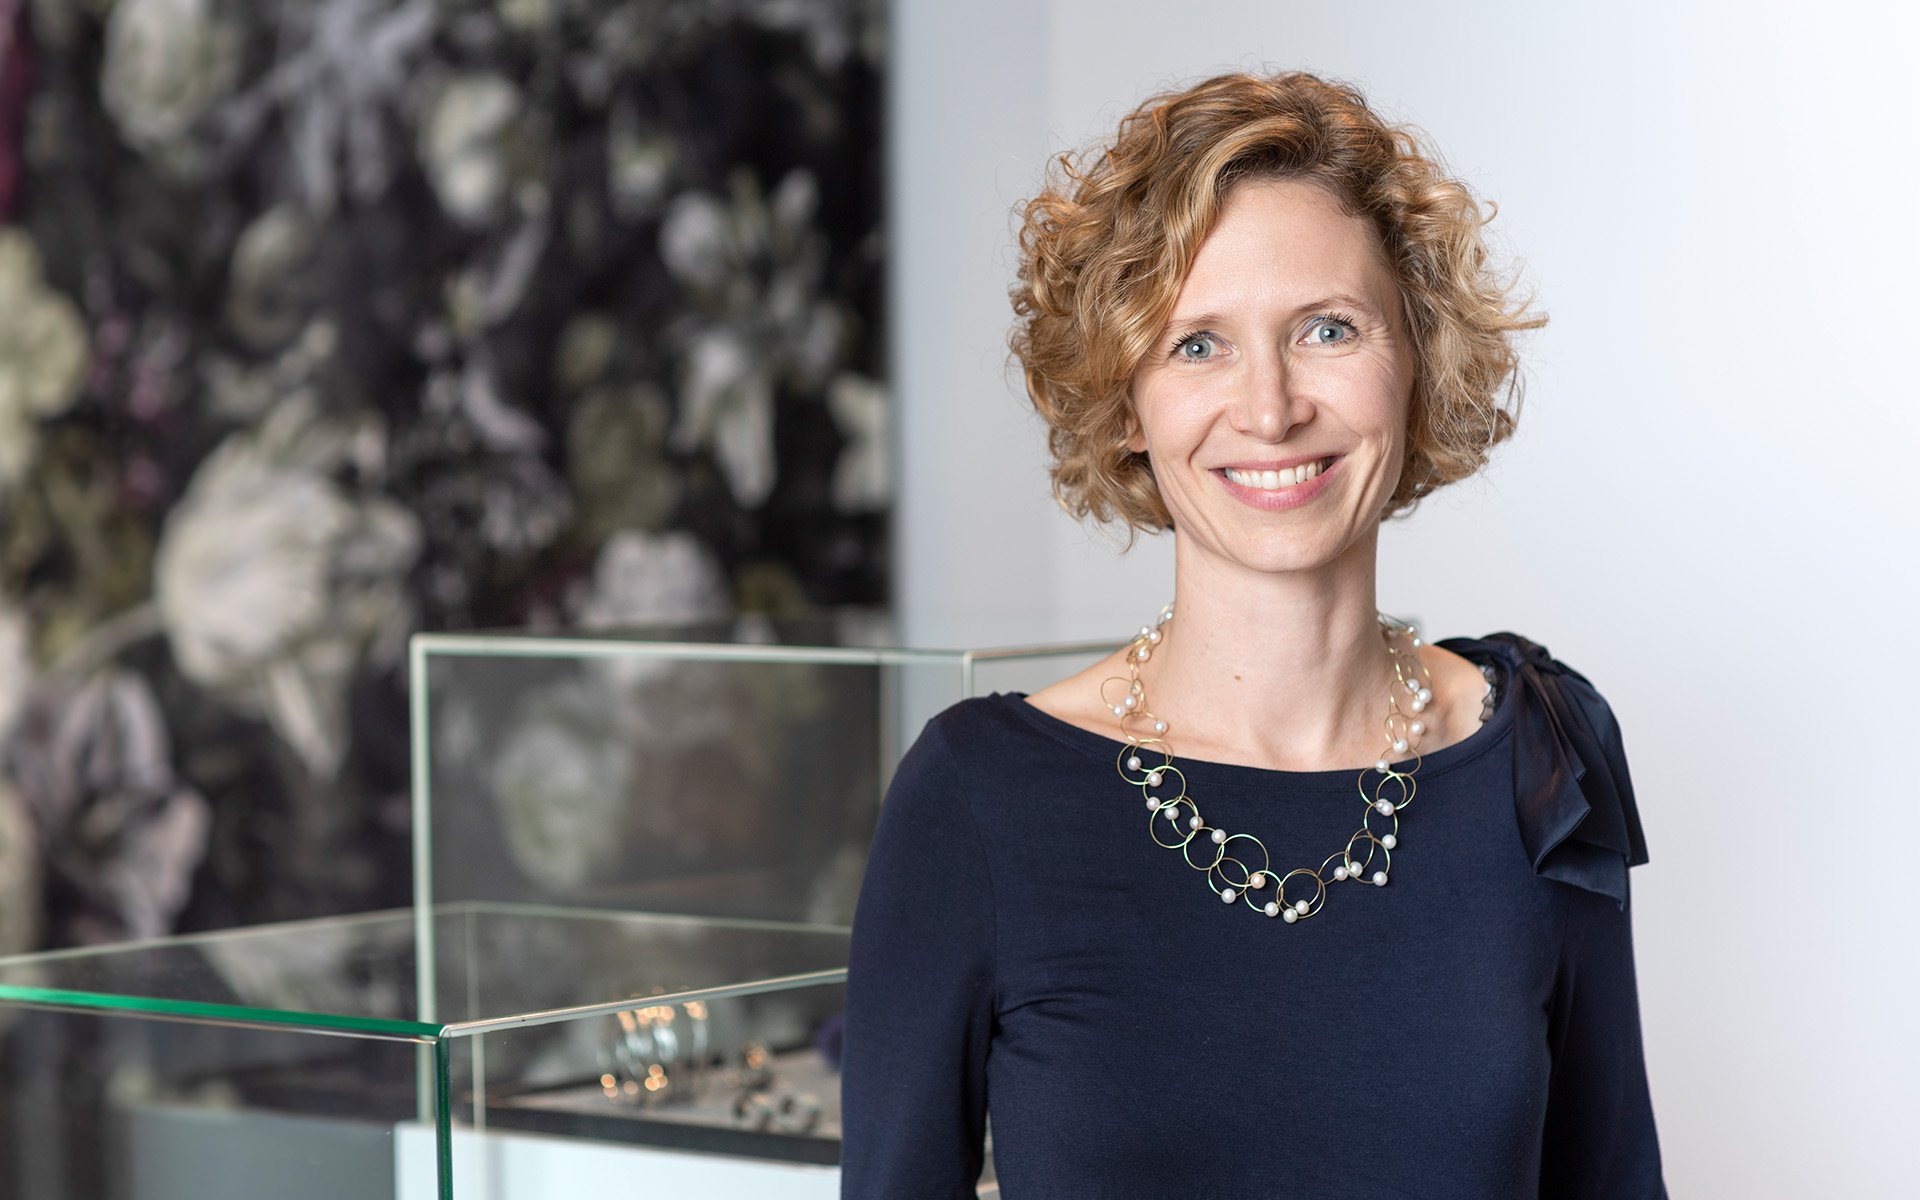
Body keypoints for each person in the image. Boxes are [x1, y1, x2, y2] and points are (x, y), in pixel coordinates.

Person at [842, 71, 1663, 1198]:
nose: (1271, 409)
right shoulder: (977, 798)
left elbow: (1616, 1182)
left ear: (1417, 360)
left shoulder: (1542, 757)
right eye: (1197, 345)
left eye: (1328, 329)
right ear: (1125, 401)